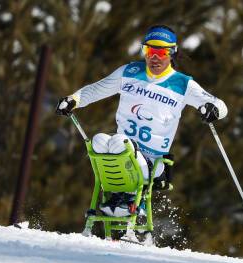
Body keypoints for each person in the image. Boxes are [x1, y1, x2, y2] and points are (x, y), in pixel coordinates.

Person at [56, 25, 228, 216]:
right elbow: (97, 89)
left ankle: (132, 200)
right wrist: (74, 100)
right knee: (98, 141)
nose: (154, 58)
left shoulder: (182, 84)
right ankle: (118, 197)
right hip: (121, 150)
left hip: (153, 162)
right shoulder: (130, 72)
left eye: (161, 52)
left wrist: (214, 110)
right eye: (149, 50)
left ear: (172, 53)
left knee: (121, 143)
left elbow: (219, 105)